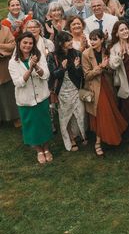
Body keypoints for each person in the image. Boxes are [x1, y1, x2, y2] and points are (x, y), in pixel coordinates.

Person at [8, 32, 53, 164]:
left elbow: (46, 75)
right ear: (19, 44)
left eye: (30, 43)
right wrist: (30, 69)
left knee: (44, 124)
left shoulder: (39, 57)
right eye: (25, 43)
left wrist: (36, 66)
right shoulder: (13, 62)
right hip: (26, 100)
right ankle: (38, 150)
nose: (28, 45)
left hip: (42, 97)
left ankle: (46, 148)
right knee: (31, 127)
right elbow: (18, 83)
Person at [82, 29, 127, 156]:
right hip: (95, 88)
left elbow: (112, 71)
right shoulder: (85, 54)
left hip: (108, 86)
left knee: (111, 112)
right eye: (91, 39)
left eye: (95, 39)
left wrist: (106, 67)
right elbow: (87, 76)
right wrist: (100, 67)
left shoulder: (106, 51)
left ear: (102, 40)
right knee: (101, 113)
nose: (92, 41)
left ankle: (108, 137)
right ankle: (97, 142)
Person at [48, 31, 87, 151]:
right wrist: (62, 68)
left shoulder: (76, 53)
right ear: (60, 43)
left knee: (80, 112)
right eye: (67, 40)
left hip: (75, 88)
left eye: (71, 40)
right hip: (62, 91)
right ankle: (71, 138)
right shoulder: (52, 56)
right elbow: (53, 75)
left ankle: (80, 134)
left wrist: (76, 67)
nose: (71, 42)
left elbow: (81, 74)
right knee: (66, 116)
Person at [0, 24, 19, 128]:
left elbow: (12, 45)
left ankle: (15, 117)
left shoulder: (5, 29)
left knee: (9, 95)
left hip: (4, 69)